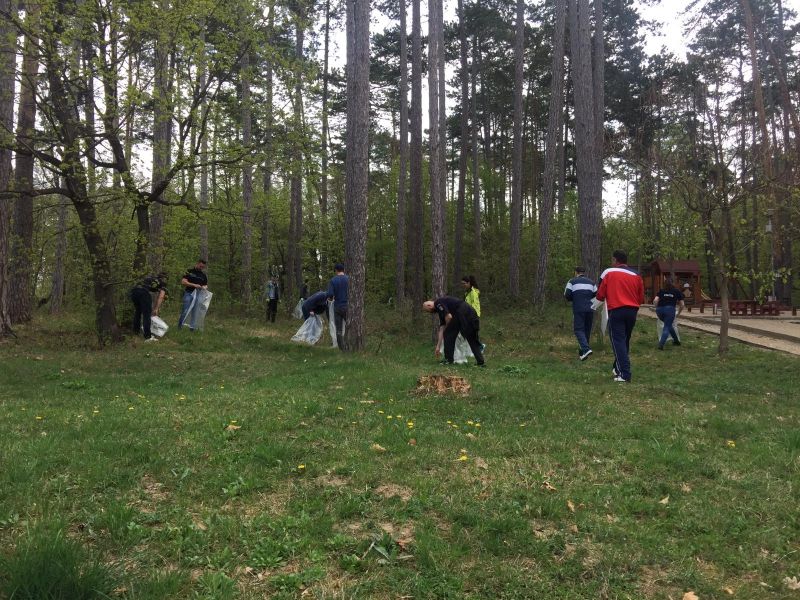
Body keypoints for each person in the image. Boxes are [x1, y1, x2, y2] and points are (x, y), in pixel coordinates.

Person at [595, 250, 644, 383]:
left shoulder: (610, 273)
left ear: (615, 260)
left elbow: (600, 295)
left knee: (618, 342)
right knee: (625, 340)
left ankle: (625, 373)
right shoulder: (636, 275)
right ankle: (618, 368)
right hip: (632, 311)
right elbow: (641, 298)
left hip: (616, 310)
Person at [423, 296, 485, 367]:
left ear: (429, 305)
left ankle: (448, 360)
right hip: (470, 312)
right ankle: (480, 362)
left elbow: (449, 317)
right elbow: (442, 329)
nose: (430, 312)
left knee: (448, 334)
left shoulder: (438, 303)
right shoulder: (441, 310)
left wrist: (447, 328)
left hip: (462, 312)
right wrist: (438, 346)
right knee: (470, 337)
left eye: (428, 311)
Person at [564, 266, 597, 360]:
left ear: (576, 272)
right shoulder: (591, 282)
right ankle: (583, 354)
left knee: (578, 330)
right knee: (587, 330)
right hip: (590, 308)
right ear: (584, 272)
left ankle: (586, 349)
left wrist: (574, 299)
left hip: (578, 308)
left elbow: (567, 295)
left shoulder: (572, 281)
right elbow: (597, 294)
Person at [130, 272, 168, 341]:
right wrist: (156, 309)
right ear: (164, 278)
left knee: (138, 312)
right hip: (143, 293)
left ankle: (136, 332)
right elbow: (161, 296)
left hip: (134, 292)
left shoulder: (151, 278)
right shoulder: (163, 282)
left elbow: (157, 294)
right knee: (146, 315)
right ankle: (148, 336)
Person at [654, 278, 685, 349]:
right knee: (667, 327)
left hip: (659, 310)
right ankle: (661, 344)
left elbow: (655, 300)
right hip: (669, 310)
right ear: (673, 283)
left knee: (668, 324)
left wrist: (657, 308)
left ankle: (676, 341)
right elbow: (682, 305)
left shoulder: (661, 290)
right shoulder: (676, 291)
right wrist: (679, 313)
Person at [178, 259, 208, 330]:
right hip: (188, 293)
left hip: (198, 295)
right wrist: (194, 285)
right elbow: (183, 282)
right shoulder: (189, 271)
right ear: (197, 264)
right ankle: (180, 327)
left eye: (203, 267)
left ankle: (192, 328)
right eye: (200, 266)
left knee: (195, 312)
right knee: (185, 310)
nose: (201, 268)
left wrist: (204, 287)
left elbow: (206, 285)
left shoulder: (203, 275)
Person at [327, 263, 349, 351]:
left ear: (336, 270)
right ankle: (350, 344)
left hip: (338, 307)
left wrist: (332, 298)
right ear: (343, 270)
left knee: (339, 329)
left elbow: (330, 295)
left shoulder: (333, 280)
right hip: (348, 307)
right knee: (350, 326)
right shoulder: (349, 279)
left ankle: (342, 349)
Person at [461, 275, 486, 352]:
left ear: (469, 283)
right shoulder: (467, 292)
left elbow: (474, 305)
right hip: (468, 315)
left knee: (473, 333)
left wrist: (471, 315)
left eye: (464, 283)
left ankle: (480, 346)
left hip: (473, 316)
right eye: (462, 284)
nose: (463, 285)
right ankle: (473, 348)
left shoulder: (473, 292)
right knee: (468, 332)